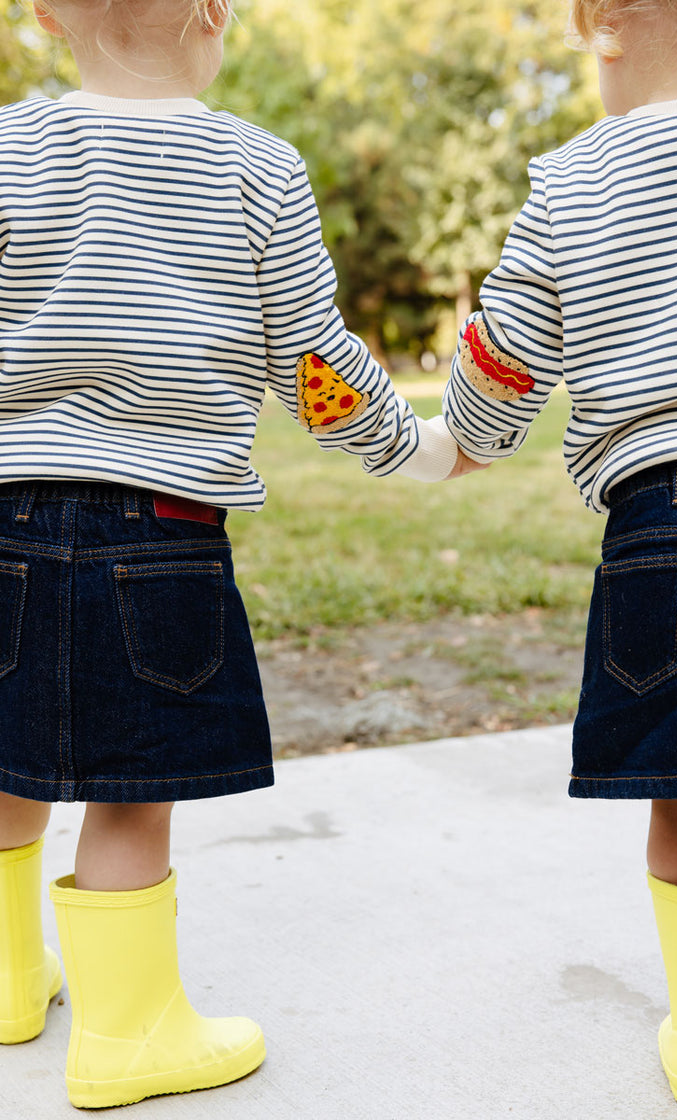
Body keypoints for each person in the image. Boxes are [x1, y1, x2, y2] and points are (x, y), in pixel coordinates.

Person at [0, 0, 482, 1109]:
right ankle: (129, 1036)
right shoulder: (252, 165)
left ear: (42, 13)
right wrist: (412, 448)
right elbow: (311, 360)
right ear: (214, 12)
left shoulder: (12, 146)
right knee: (130, 790)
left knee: (10, 753)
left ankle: (13, 980)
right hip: (157, 535)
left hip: (9, 522)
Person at [442, 0, 677, 1111]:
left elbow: (490, 392)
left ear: (598, 24)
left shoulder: (571, 181)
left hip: (658, 533)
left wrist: (448, 433)